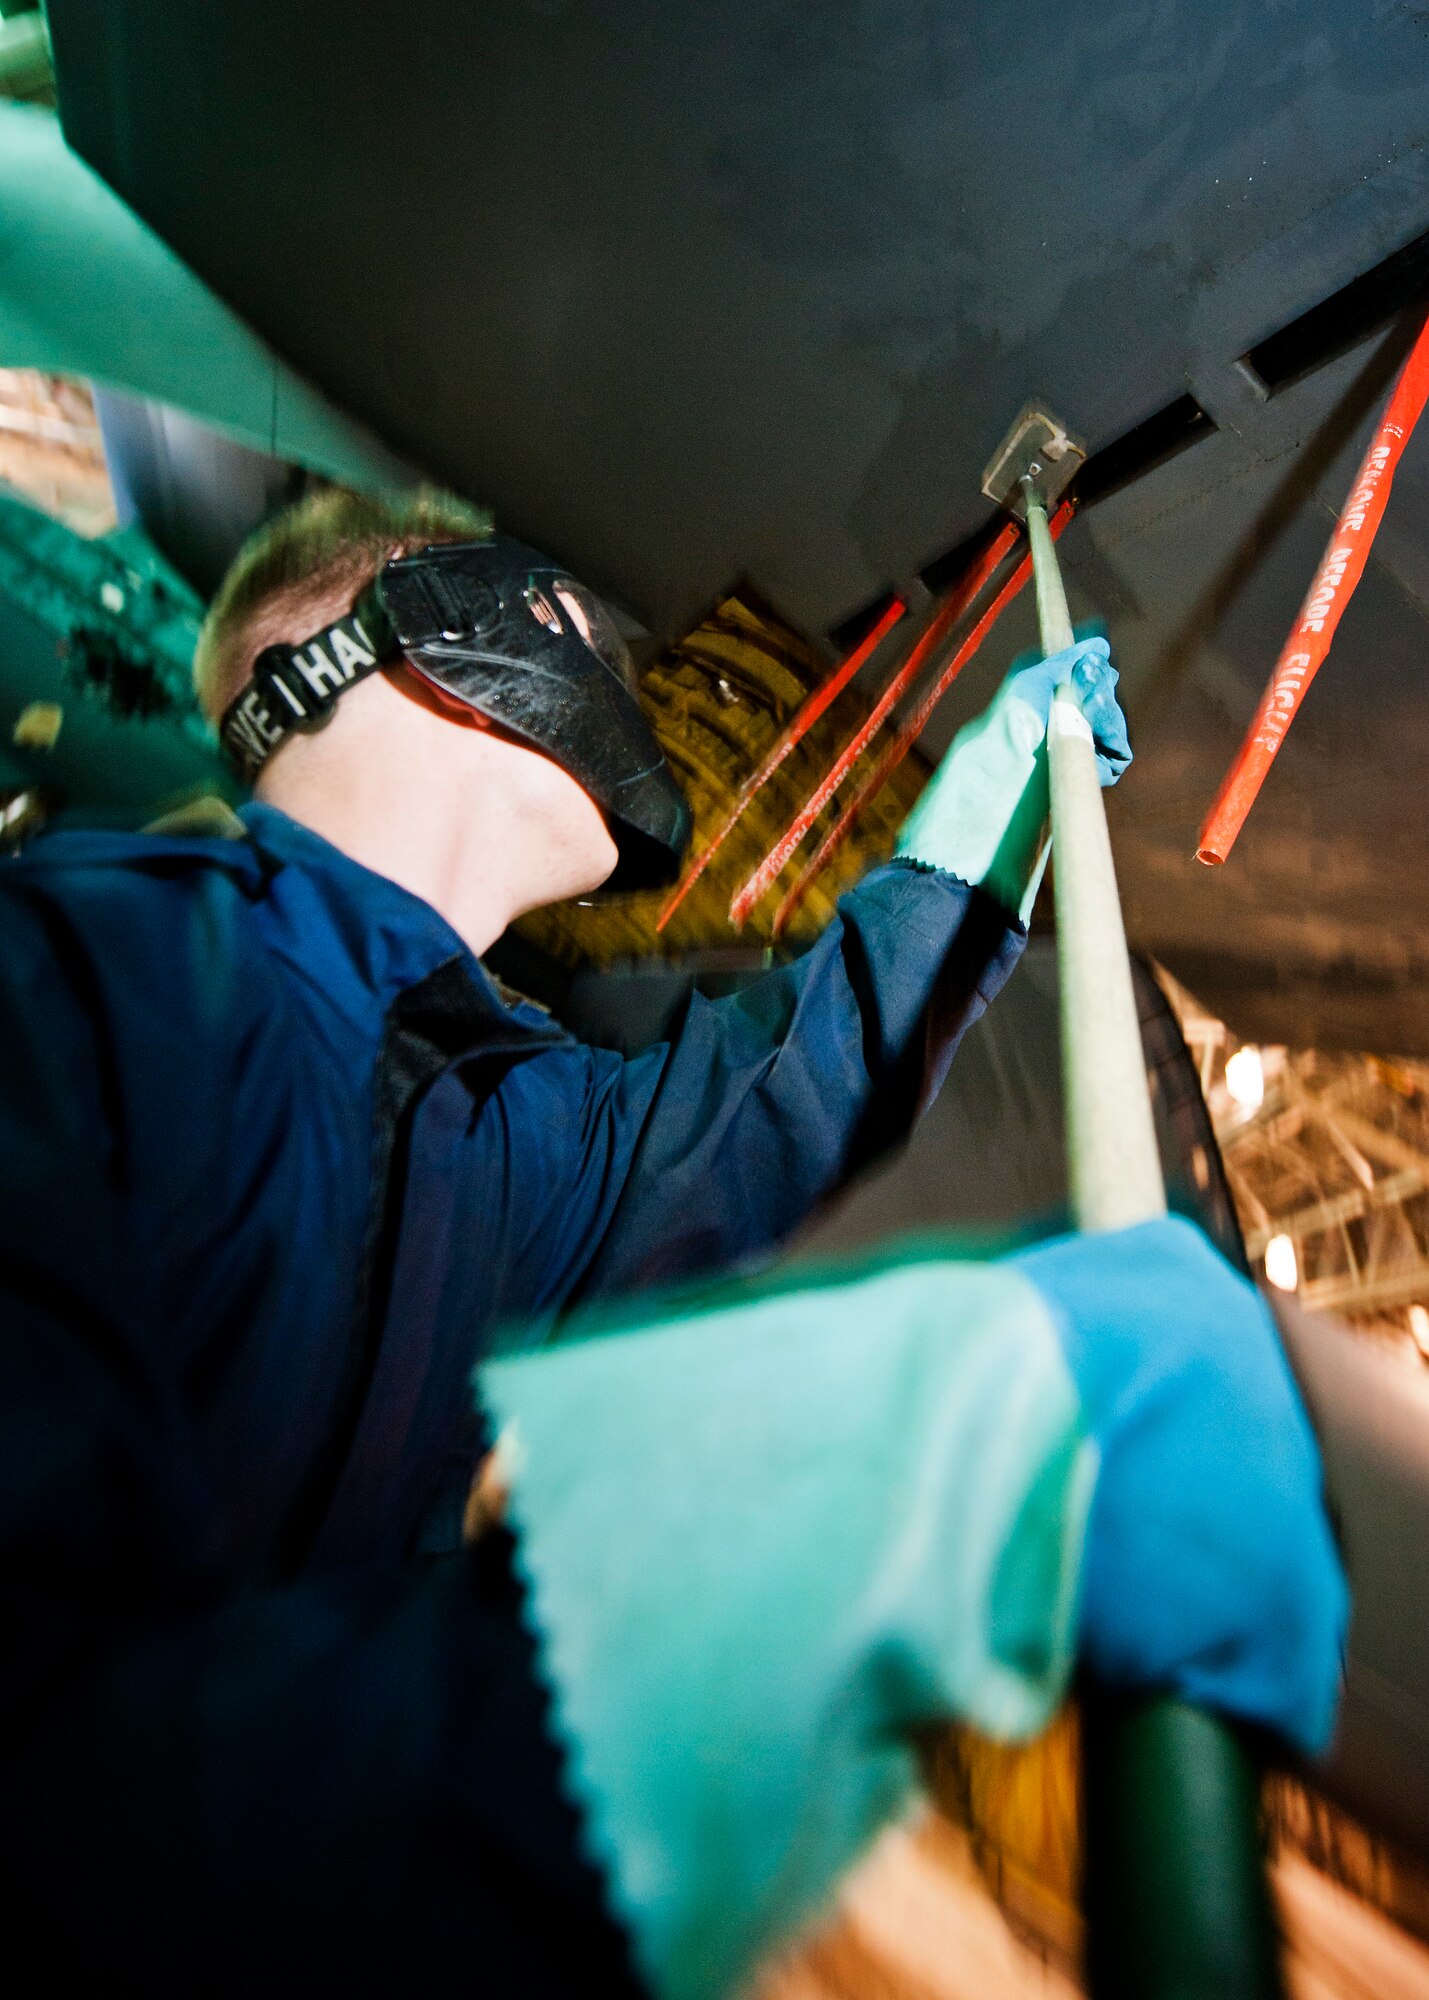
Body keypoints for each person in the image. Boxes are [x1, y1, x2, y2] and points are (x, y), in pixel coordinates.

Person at [0, 485, 1344, 1995]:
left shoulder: (482, 1110)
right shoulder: (62, 978)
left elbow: (761, 1114)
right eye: (539, 607)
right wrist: (846, 1535)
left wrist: (970, 859)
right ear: (372, 645)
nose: (599, 656)